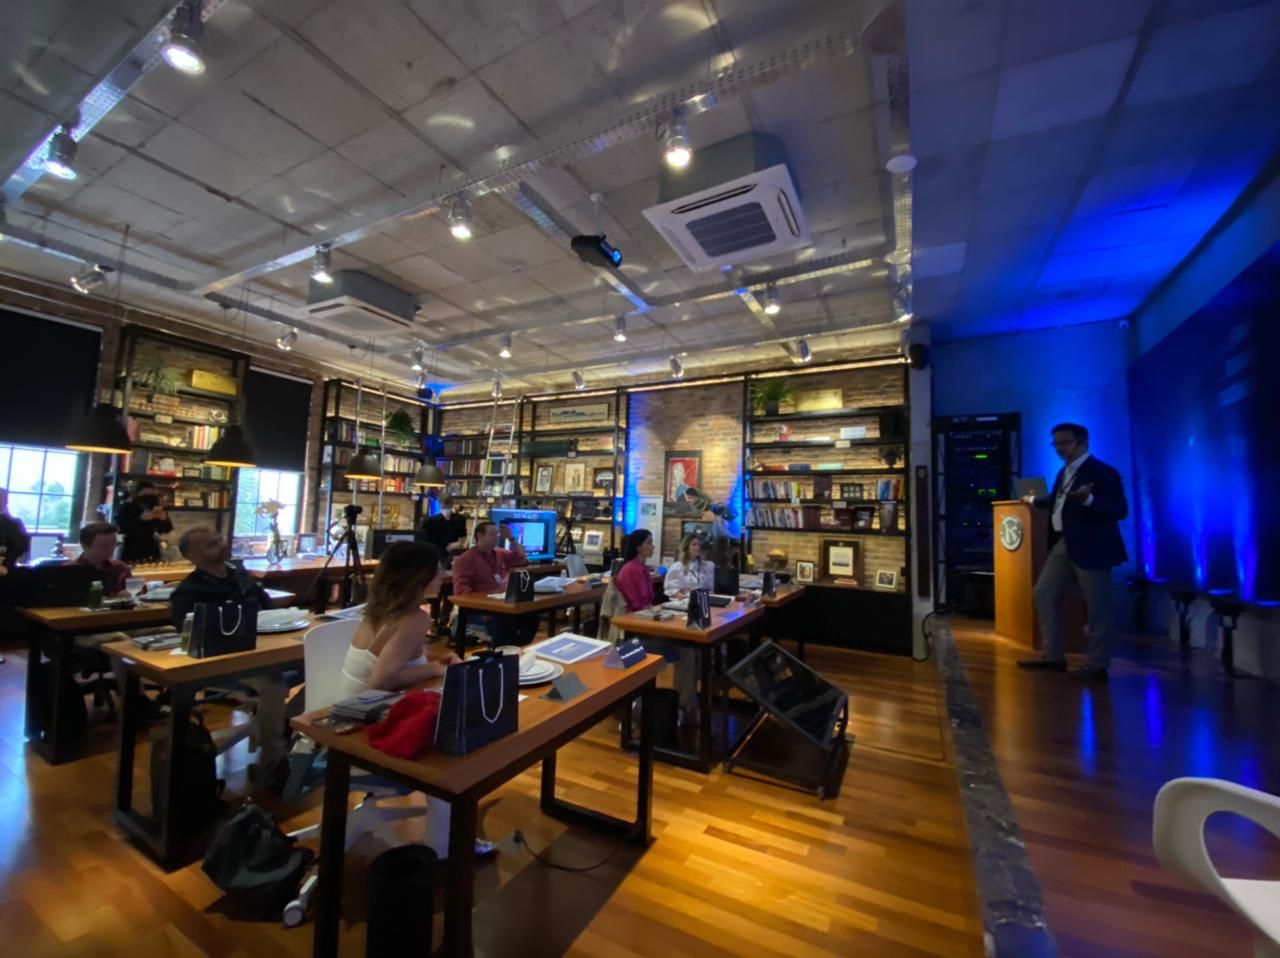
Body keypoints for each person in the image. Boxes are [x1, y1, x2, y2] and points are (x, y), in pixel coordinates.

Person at [335, 540, 493, 857]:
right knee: (454, 749)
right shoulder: (414, 619)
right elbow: (382, 679)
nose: (443, 574)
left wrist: (432, 667)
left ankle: (445, 836)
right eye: (437, 570)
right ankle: (447, 844)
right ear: (419, 578)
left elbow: (388, 669)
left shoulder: (377, 611)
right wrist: (434, 669)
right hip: (367, 738)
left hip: (343, 725)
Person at [1018, 422, 1129, 681]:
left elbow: (1119, 510)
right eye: (1056, 443)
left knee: (1097, 607)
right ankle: (1053, 656)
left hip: (1093, 545)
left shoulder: (1103, 472)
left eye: (1065, 443)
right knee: (1044, 592)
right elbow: (1057, 501)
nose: (1060, 448)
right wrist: (1032, 499)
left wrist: (1088, 500)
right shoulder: (1064, 472)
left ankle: (1097, 665)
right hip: (1065, 542)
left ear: (1083, 442)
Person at [450, 519, 535, 645]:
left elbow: (521, 559)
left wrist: (511, 538)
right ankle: (500, 650)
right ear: (480, 536)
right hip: (481, 609)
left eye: (497, 534)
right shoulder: (466, 559)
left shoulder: (500, 553)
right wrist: (485, 606)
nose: (497, 537)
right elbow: (462, 592)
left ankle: (511, 648)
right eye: (492, 534)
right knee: (506, 621)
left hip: (502, 604)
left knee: (531, 617)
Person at [169, 527, 272, 630]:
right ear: (192, 556)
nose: (223, 545)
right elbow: (188, 633)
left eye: (221, 540)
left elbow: (269, 609)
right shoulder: (187, 593)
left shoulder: (241, 576)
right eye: (213, 544)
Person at [115, 481, 173, 563]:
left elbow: (167, 529)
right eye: (146, 495)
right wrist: (141, 519)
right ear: (137, 494)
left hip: (152, 549)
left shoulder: (156, 508)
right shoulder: (127, 508)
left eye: (153, 495)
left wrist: (164, 519)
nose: (150, 498)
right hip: (132, 549)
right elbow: (121, 529)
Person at [71, 522, 131, 596]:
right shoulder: (69, 570)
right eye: (104, 546)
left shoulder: (120, 568)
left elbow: (137, 595)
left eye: (114, 544)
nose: (111, 549)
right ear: (84, 546)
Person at [615, 529, 656, 612]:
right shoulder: (631, 569)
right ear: (638, 547)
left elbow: (648, 600)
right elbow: (636, 604)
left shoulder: (642, 568)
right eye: (649, 543)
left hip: (644, 612)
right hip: (631, 615)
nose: (653, 546)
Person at [664, 534, 715, 598]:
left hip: (702, 600)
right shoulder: (677, 567)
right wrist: (684, 597)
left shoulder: (707, 566)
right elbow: (669, 588)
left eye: (699, 544)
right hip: (684, 601)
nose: (697, 547)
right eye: (694, 544)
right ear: (686, 548)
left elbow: (710, 588)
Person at [0, 488, 30, 569]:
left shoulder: (15, 524)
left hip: (7, 568)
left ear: (6, 501)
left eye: (1, 498)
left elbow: (22, 547)